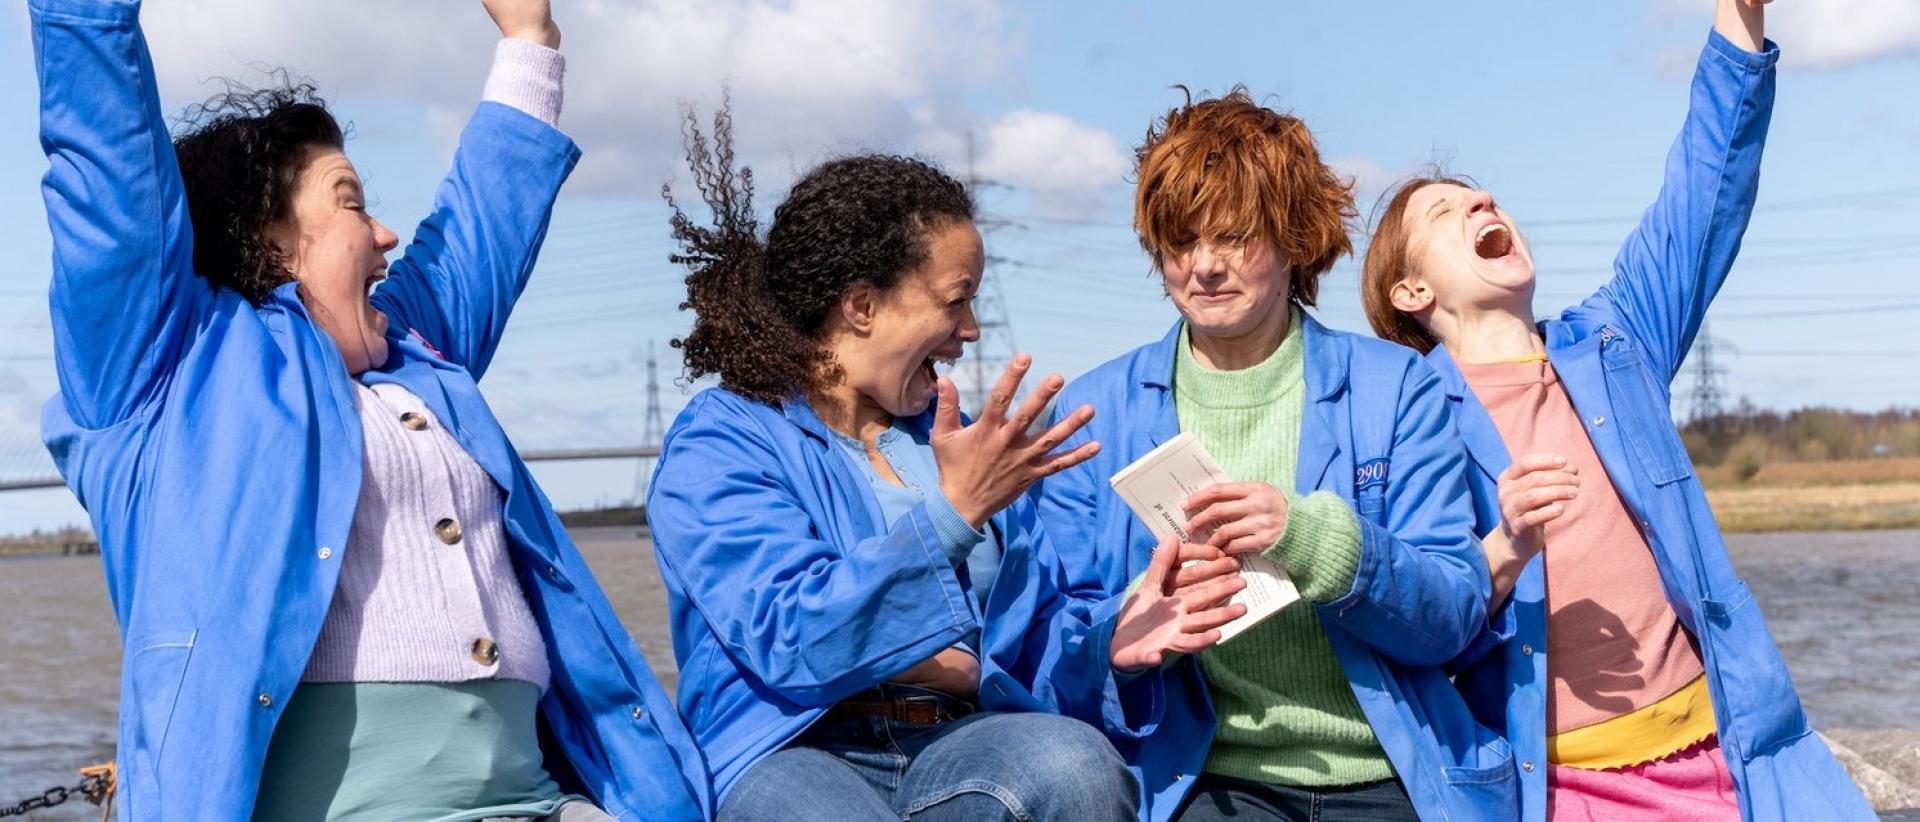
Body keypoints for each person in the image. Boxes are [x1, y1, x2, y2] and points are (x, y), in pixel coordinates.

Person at [28, 0, 709, 818]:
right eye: (350, 200)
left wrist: (530, 40)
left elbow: (482, 227)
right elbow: (108, 183)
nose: (387, 233)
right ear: (265, 237)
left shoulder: (412, 358)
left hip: (534, 803)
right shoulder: (167, 371)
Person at [645, 107, 1249, 822]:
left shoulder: (951, 441)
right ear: (862, 306)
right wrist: (953, 518)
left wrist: (1114, 642)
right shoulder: (723, 439)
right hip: (791, 745)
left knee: (1075, 768)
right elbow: (787, 634)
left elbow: (1031, 635)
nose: (970, 331)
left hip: (959, 739)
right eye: (956, 300)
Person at [1360, 2, 1875, 819]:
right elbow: (1408, 617)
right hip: (1562, 788)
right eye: (1446, 210)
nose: (1484, 200)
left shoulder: (1616, 341)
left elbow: (1701, 198)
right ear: (1411, 291)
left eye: (1485, 195)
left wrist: (1738, 24)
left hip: (1729, 757)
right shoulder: (1396, 418)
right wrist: (1503, 548)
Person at [1034, 88, 1507, 822]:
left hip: (1397, 777)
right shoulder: (1095, 412)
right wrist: (1118, 642)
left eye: (1234, 237)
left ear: (1294, 239)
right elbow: (1044, 650)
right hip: (1205, 785)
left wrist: (1317, 540)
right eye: (1181, 242)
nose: (1204, 267)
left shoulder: (1395, 386)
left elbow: (1453, 611)